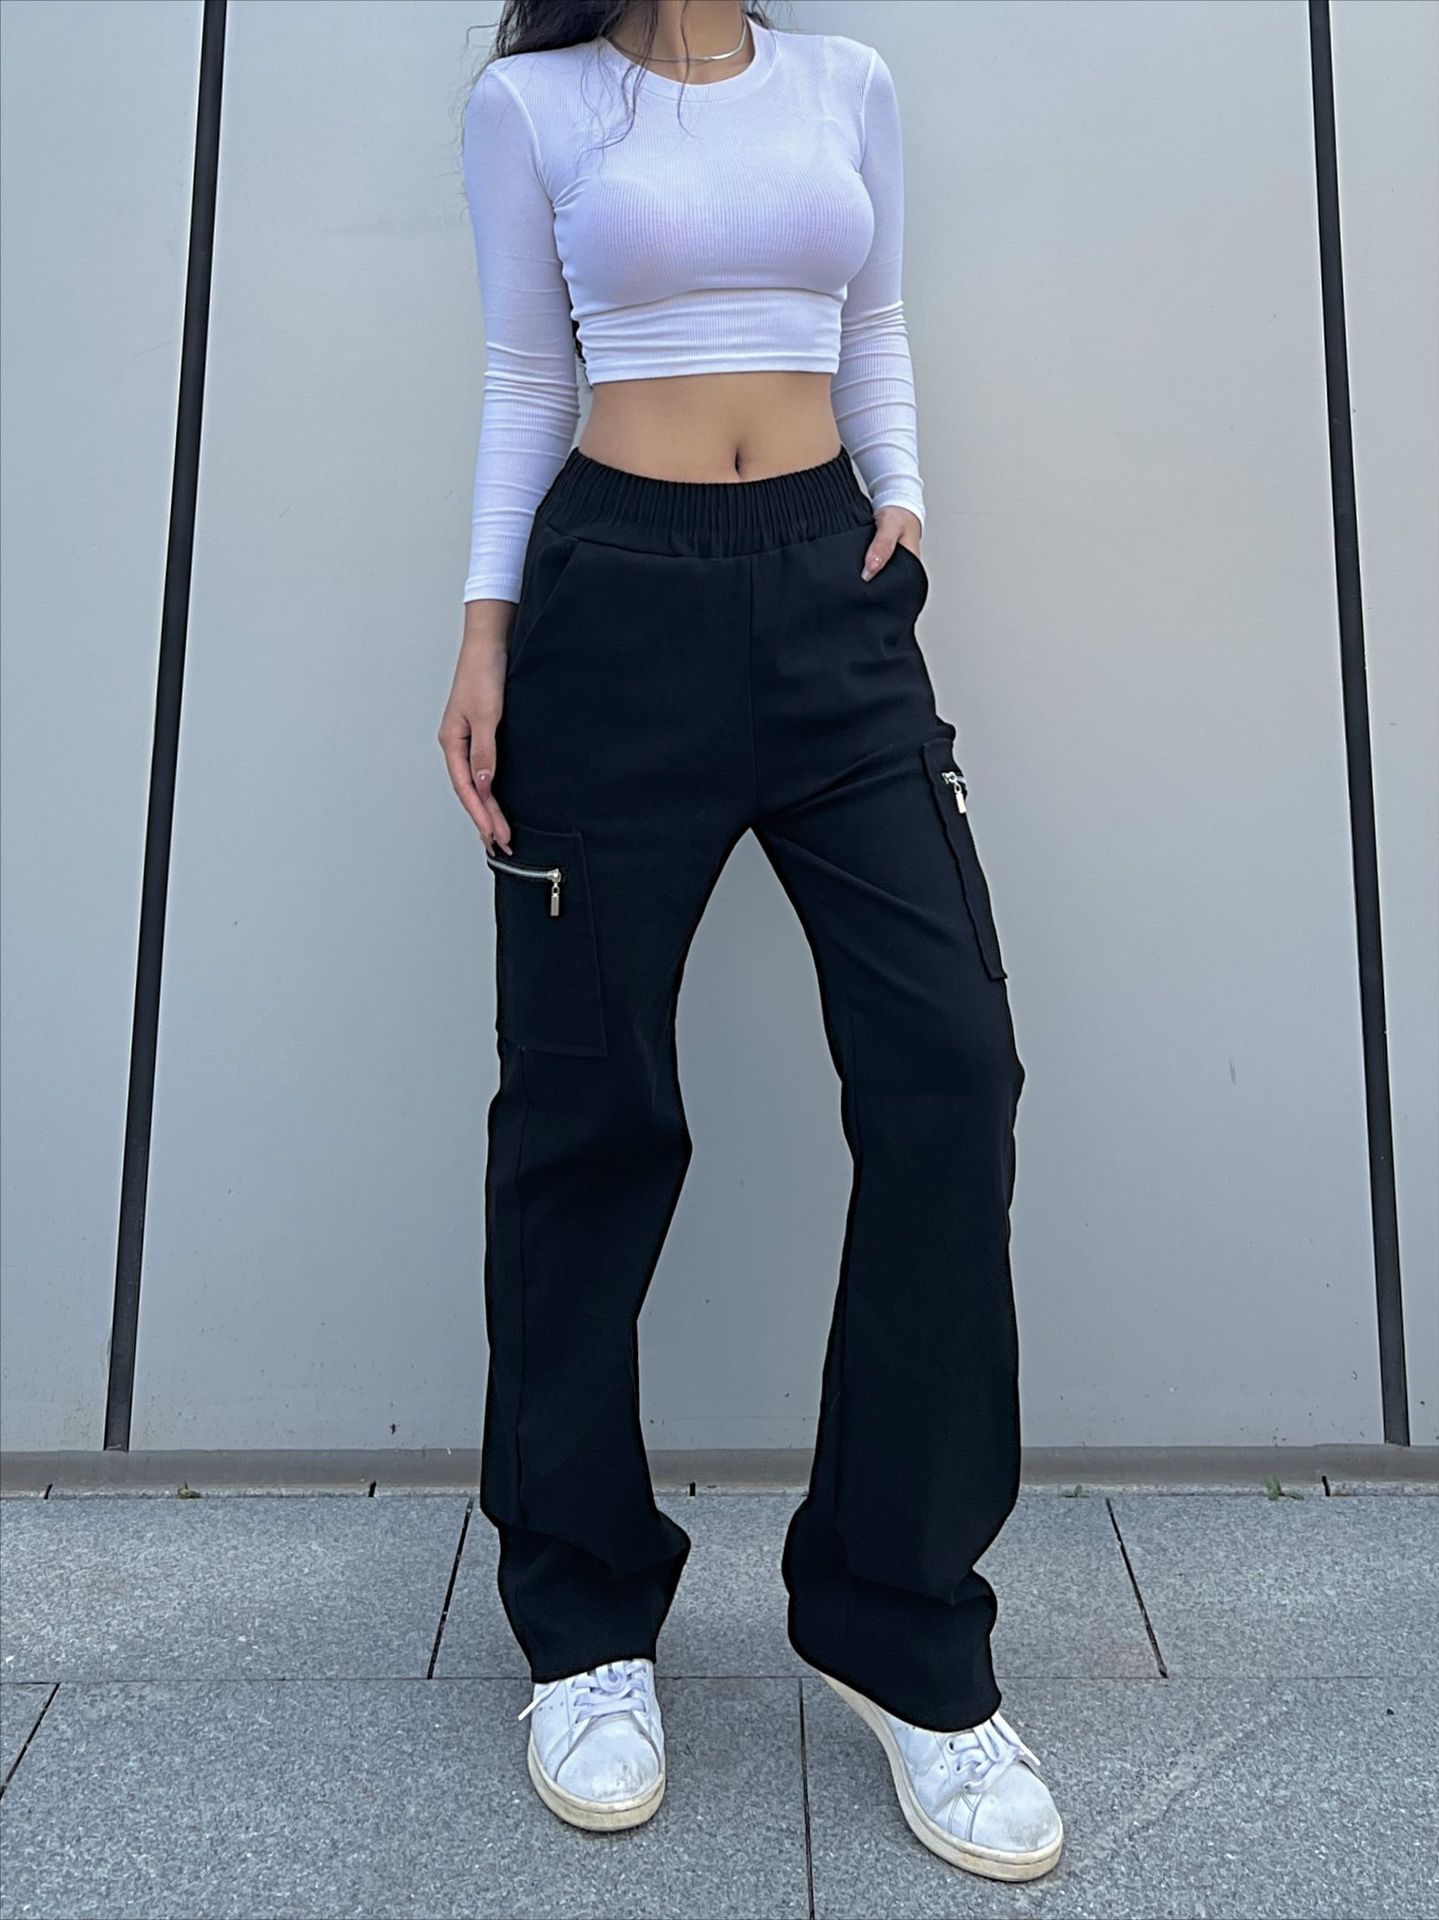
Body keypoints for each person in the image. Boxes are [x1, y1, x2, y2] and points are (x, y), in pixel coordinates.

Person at [439, 0, 1063, 1882]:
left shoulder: (847, 86)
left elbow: (873, 323)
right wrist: (484, 637)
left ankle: (897, 1621)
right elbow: (525, 376)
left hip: (827, 599)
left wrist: (903, 498)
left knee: (950, 1066)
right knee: (584, 1112)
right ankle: (583, 1622)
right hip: (608, 606)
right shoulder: (532, 105)